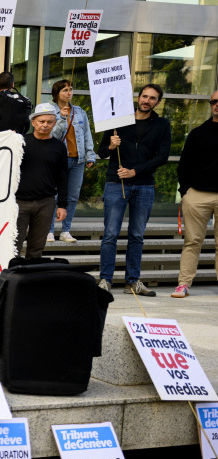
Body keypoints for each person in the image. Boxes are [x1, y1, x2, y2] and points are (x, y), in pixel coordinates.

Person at [96, 84, 171, 296]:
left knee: (137, 235)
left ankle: (132, 282)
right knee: (110, 234)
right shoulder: (118, 121)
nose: (147, 100)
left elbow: (162, 157)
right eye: (144, 96)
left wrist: (135, 171)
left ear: (157, 102)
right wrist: (111, 146)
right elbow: (101, 152)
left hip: (144, 185)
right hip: (115, 183)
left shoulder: (162, 124)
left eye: (152, 98)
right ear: (138, 97)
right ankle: (105, 280)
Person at [171, 90, 218, 298]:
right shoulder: (198, 133)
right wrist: (186, 192)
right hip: (197, 195)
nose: (217, 105)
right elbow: (184, 166)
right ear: (210, 105)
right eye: (214, 102)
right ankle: (183, 284)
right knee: (192, 241)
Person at [15, 103, 68, 259]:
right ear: (33, 122)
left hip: (45, 203)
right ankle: (11, 280)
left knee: (36, 248)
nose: (45, 125)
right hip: (19, 202)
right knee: (13, 246)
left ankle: (31, 281)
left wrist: (63, 205)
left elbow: (63, 177)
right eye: (41, 121)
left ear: (54, 122)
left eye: (49, 122)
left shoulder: (59, 147)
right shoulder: (20, 143)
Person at [48, 79, 96, 243]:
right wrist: (61, 118)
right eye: (65, 90)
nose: (69, 93)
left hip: (78, 160)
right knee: (54, 196)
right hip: (57, 161)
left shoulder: (80, 112)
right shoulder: (50, 112)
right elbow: (52, 135)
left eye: (70, 89)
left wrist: (90, 155)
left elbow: (87, 135)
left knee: (73, 196)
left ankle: (65, 230)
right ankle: (49, 230)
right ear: (57, 94)